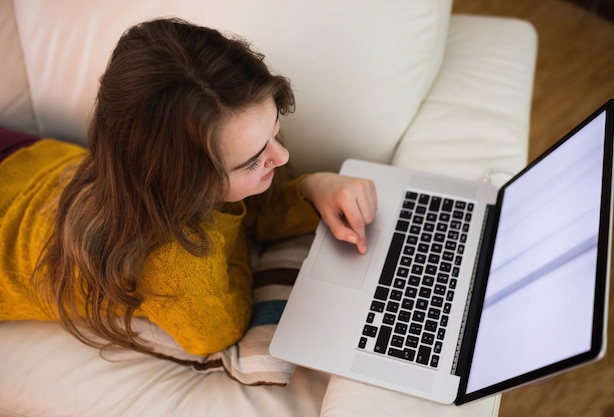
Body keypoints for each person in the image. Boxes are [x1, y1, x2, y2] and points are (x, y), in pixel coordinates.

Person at [0, 18, 377, 358]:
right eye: (252, 160)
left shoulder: (218, 135)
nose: (282, 156)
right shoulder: (176, 268)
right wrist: (236, 231)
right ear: (184, 184)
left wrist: (315, 186)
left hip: (22, 156)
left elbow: (259, 206)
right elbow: (217, 334)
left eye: (274, 131)